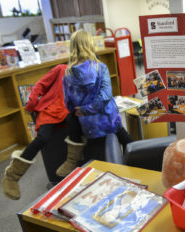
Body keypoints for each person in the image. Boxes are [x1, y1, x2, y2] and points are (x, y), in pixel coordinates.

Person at [56, 30, 133, 177]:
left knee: (97, 160)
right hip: (108, 119)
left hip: (89, 125)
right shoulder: (99, 67)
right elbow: (105, 96)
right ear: (89, 45)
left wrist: (83, 110)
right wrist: (90, 108)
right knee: (128, 142)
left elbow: (68, 104)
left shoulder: (67, 74)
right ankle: (138, 167)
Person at [2, 64, 69, 200]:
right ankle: (13, 175)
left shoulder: (87, 72)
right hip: (51, 111)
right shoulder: (61, 69)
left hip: (68, 113)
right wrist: (31, 105)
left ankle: (73, 169)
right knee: (42, 138)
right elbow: (40, 85)